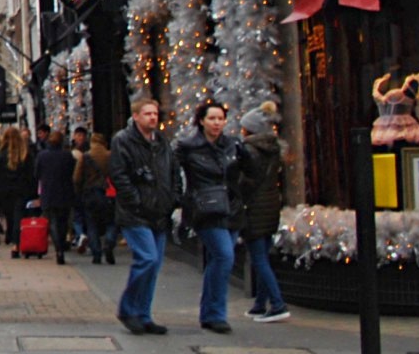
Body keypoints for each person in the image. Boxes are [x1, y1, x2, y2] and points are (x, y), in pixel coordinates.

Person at [109, 96, 176, 335]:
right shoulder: (123, 141)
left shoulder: (161, 142)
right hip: (135, 213)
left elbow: (172, 171)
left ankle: (144, 314)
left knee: (154, 264)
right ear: (135, 116)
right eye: (147, 113)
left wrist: (172, 198)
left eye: (155, 114)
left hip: (159, 211)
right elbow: (119, 175)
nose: (153, 117)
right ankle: (128, 310)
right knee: (147, 258)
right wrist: (135, 201)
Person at [177, 99, 245, 334]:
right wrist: (183, 200)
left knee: (219, 259)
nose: (217, 123)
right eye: (212, 118)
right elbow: (170, 171)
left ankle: (209, 313)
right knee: (224, 256)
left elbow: (247, 174)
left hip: (232, 209)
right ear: (201, 121)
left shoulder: (234, 145)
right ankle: (216, 314)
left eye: (220, 119)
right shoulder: (188, 147)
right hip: (206, 209)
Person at [239, 102, 289, 322]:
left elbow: (245, 181)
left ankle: (277, 304)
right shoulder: (272, 149)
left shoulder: (249, 151)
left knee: (258, 258)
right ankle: (260, 304)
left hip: (255, 209)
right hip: (270, 207)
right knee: (262, 255)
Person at [33, 129, 76, 265]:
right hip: (65, 192)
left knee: (51, 221)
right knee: (63, 221)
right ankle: (61, 244)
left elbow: (36, 174)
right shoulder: (67, 155)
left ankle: (58, 248)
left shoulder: (42, 155)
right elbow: (72, 171)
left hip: (48, 192)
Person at [75, 132, 116, 264]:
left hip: (90, 193)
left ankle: (96, 253)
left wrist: (79, 191)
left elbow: (77, 178)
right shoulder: (110, 155)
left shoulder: (86, 156)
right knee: (111, 222)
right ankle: (109, 242)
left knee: (91, 224)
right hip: (108, 193)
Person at [0, 127, 36, 256]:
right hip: (22, 190)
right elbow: (32, 175)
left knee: (10, 216)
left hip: (5, 191)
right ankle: (16, 244)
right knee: (19, 216)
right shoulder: (25, 154)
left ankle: (12, 239)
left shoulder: (0, 154)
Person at [69, 126, 92, 252]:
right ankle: (81, 236)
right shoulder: (83, 150)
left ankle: (81, 235)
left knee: (78, 214)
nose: (79, 138)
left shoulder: (79, 152)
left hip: (81, 186)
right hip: (85, 187)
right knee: (83, 213)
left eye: (81, 136)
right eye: (77, 135)